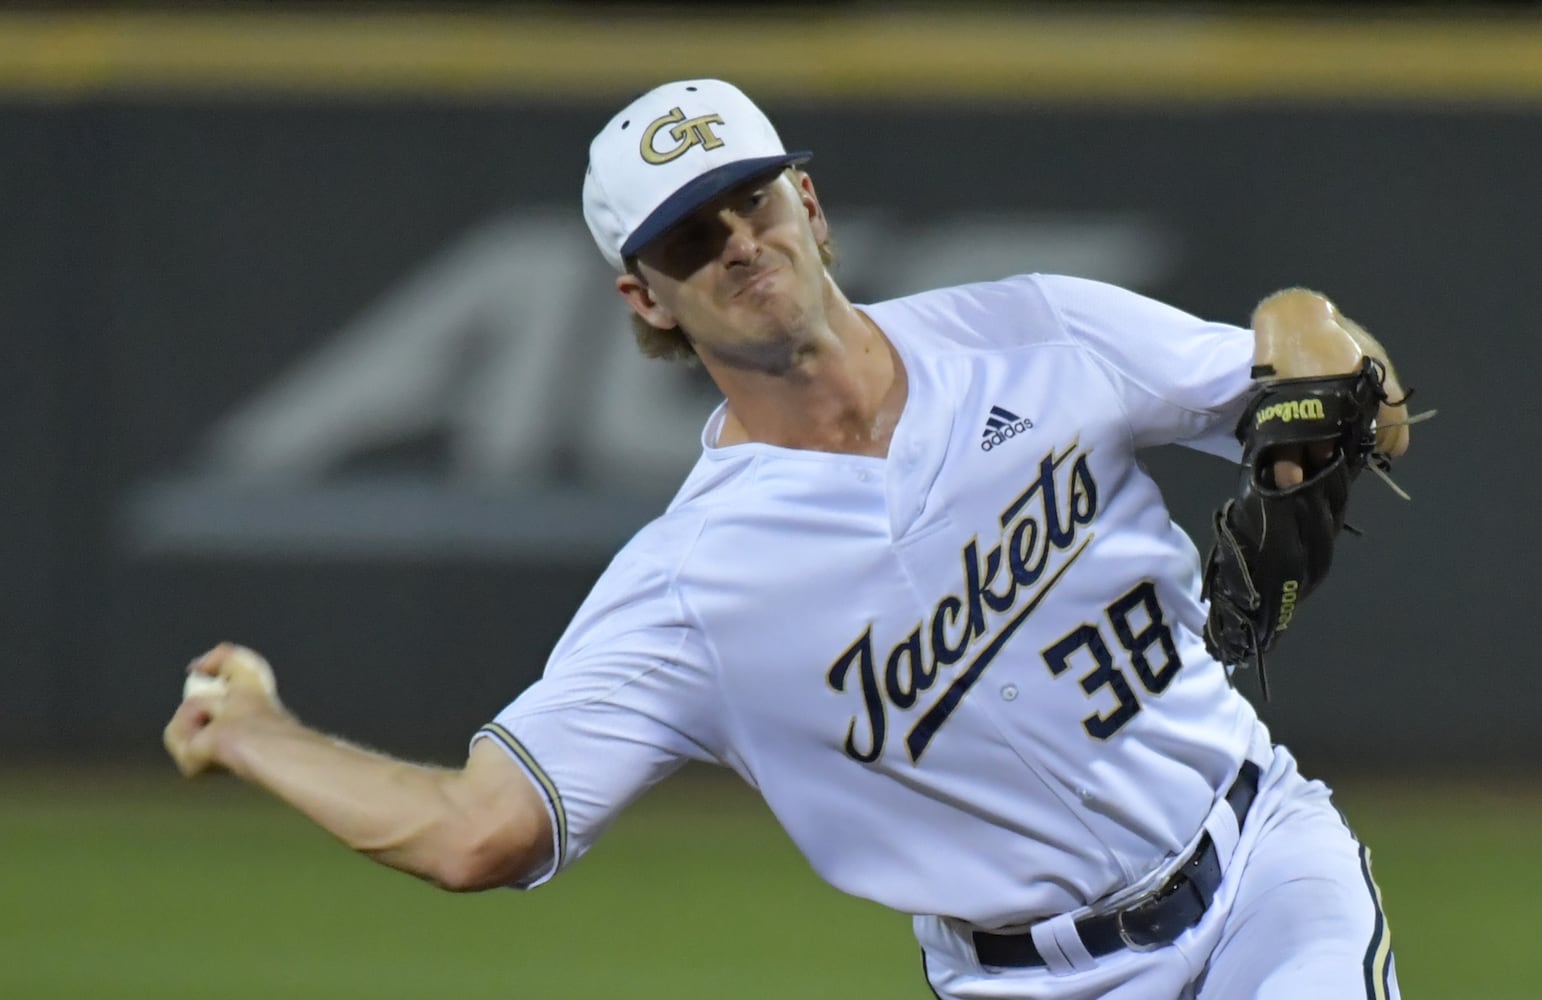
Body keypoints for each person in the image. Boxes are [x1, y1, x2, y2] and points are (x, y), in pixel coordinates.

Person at [165, 79, 1412, 999]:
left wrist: (1306, 333)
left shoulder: (1034, 331)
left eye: (748, 201)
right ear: (643, 296)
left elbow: (1364, 404)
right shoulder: (694, 583)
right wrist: (255, 732)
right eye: (689, 239)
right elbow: (475, 830)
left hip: (1258, 872)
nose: (737, 244)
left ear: (806, 204)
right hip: (1026, 980)